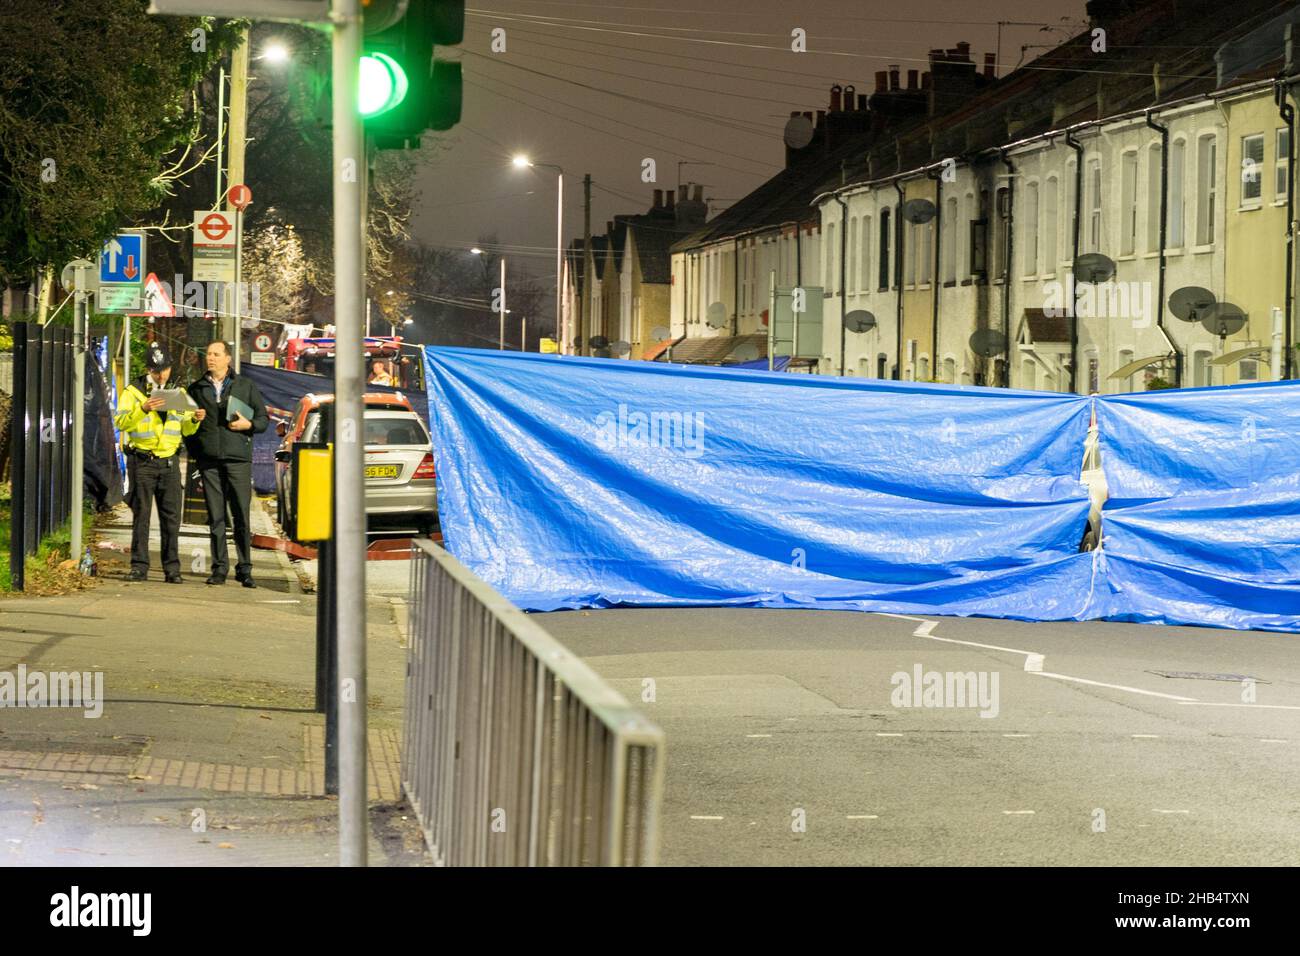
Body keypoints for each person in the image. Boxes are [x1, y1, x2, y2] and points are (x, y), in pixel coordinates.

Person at [113, 344, 202, 583]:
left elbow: (187, 428)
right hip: (143, 462)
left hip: (169, 463)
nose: (160, 375)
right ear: (148, 369)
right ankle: (139, 566)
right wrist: (142, 409)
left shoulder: (179, 393)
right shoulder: (134, 391)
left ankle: (172, 569)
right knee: (141, 516)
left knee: (171, 519)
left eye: (164, 369)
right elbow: (120, 422)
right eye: (155, 370)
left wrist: (195, 419)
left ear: (170, 368)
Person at [187, 341, 269, 588]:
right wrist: (193, 422)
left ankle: (245, 569)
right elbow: (185, 427)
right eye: (208, 354)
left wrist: (249, 425)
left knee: (241, 516)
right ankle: (219, 568)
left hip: (238, 459)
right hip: (209, 460)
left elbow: (263, 419)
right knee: (216, 517)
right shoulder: (197, 388)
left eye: (216, 354)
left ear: (228, 359)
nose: (210, 358)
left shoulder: (245, 385)